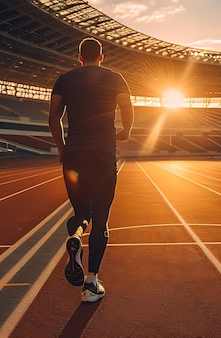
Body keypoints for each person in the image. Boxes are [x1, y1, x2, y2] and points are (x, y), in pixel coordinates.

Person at [49, 37, 134, 303]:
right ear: (101, 57)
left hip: (74, 157)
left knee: (81, 214)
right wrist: (126, 131)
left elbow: (54, 116)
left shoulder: (64, 79)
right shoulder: (115, 77)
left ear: (79, 57)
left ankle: (76, 236)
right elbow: (127, 108)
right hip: (102, 156)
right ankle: (91, 283)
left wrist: (62, 147)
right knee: (101, 218)